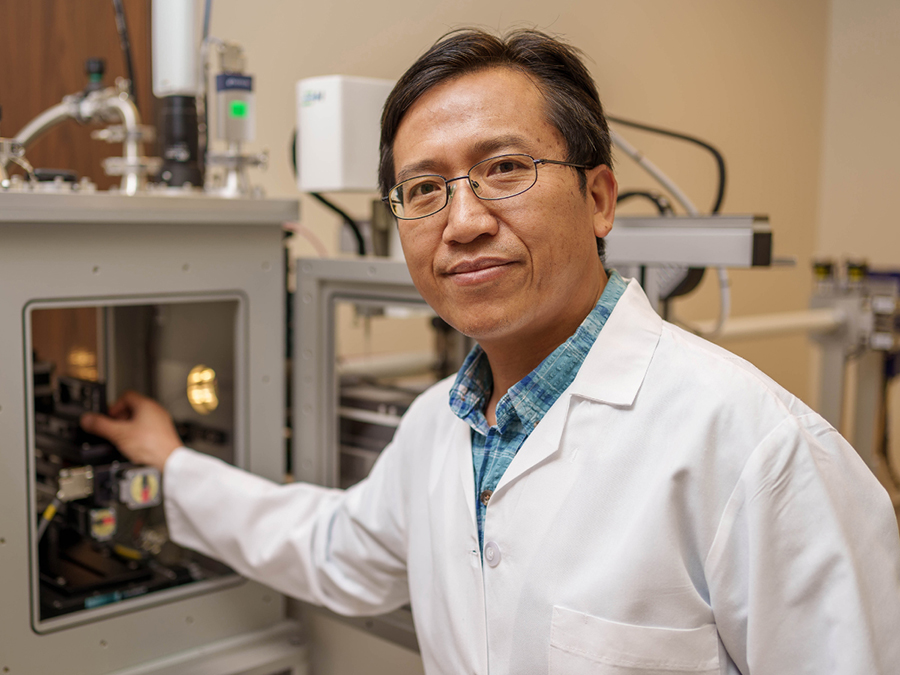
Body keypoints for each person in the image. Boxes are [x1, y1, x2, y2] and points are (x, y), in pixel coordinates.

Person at [80, 28, 900, 675]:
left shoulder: (762, 453)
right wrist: (172, 461)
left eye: (504, 168)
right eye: (425, 188)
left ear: (600, 197)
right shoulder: (440, 424)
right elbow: (335, 549)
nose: (462, 220)